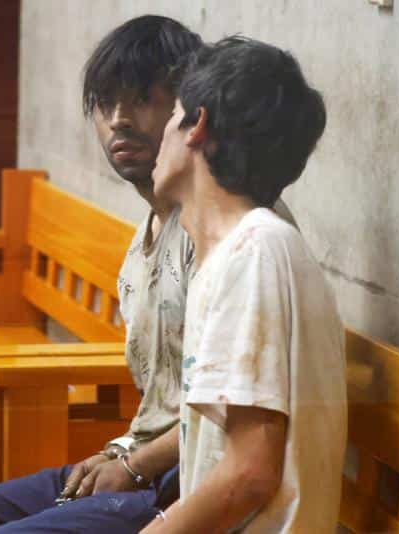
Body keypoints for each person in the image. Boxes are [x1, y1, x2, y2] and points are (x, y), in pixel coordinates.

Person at [0, 15, 203, 534]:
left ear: (189, 111)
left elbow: (221, 410)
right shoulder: (146, 236)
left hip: (187, 485)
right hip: (143, 461)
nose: (119, 120)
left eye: (142, 99)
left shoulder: (214, 230)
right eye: (105, 103)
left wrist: (133, 465)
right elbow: (162, 401)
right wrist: (120, 454)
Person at [141, 37, 347, 533]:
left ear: (198, 126)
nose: (161, 137)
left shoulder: (255, 252)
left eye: (173, 116)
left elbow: (250, 473)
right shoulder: (239, 252)